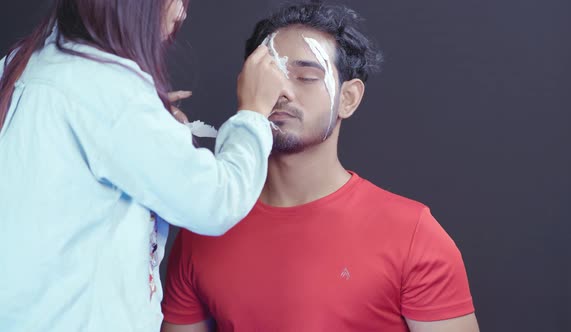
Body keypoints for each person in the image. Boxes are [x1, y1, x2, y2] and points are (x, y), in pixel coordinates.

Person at [161, 3, 480, 332]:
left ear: (349, 98)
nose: (281, 92)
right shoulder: (206, 226)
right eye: (267, 78)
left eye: (306, 77)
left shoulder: (413, 235)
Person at [0, 0, 287, 331]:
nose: (181, 12)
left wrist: (158, 134)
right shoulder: (109, 89)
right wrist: (253, 113)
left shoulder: (21, 63)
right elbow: (218, 200)